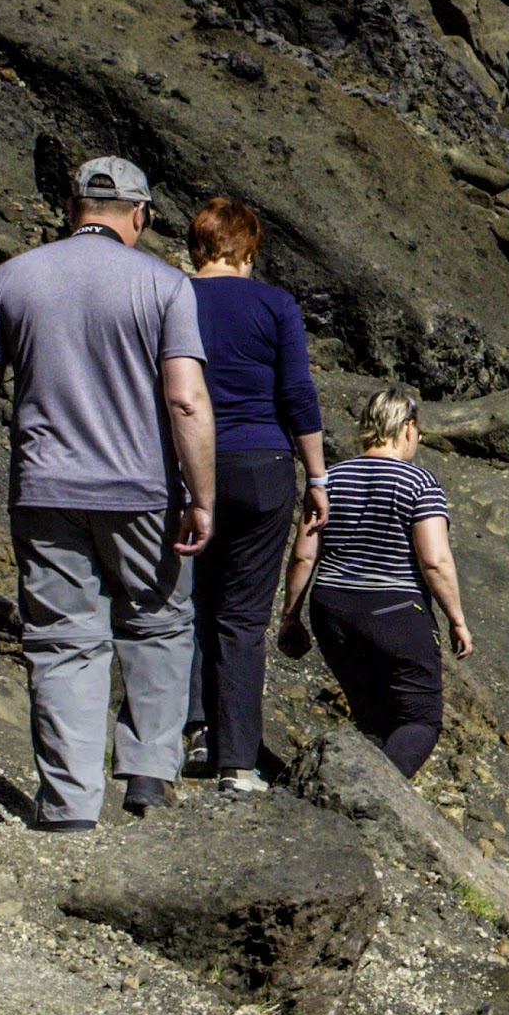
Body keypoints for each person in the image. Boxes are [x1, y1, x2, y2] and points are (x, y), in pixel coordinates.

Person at [0, 155, 215, 830]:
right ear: (141, 214)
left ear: (73, 210)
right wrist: (202, 496)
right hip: (143, 491)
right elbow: (185, 402)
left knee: (64, 641)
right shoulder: (165, 285)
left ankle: (69, 806)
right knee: (159, 623)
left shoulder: (15, 278)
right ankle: (150, 773)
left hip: (45, 489)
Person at [183, 197, 326, 794]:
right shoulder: (275, 304)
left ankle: (186, 734)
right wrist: (317, 477)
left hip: (188, 464)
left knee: (186, 605)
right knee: (242, 615)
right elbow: (296, 393)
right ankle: (236, 761)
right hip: (263, 465)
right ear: (245, 250)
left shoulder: (171, 295)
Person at [281, 390, 471, 778]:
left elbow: (303, 555)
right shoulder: (419, 483)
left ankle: (343, 789)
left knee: (372, 718)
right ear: (406, 428)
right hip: (395, 611)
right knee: (420, 721)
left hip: (332, 611)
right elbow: (433, 560)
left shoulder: (329, 480)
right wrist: (456, 620)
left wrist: (290, 617)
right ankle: (372, 800)